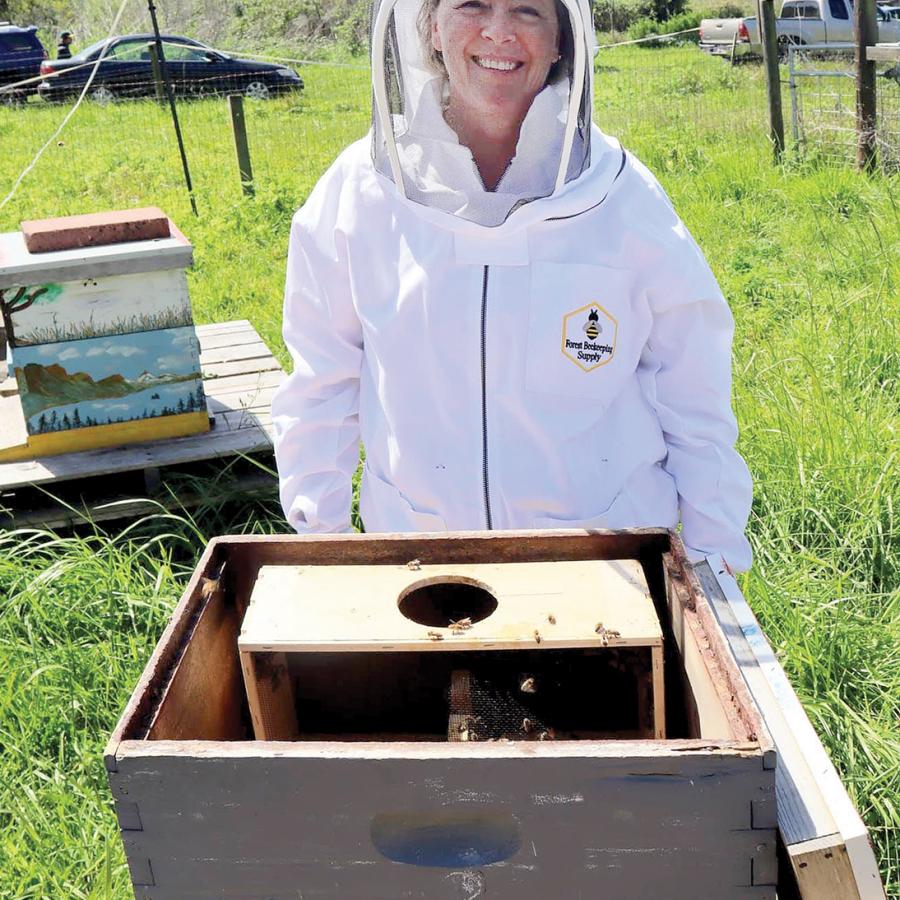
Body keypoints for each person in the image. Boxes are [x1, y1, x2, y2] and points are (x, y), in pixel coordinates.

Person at [272, 0, 753, 571]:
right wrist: (322, 547)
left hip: (605, 567)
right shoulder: (357, 193)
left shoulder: (624, 198)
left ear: (561, 43)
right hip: (419, 567)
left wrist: (713, 564)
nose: (499, 31)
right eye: (472, 4)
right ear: (429, 25)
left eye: (528, 11)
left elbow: (694, 398)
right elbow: (321, 386)